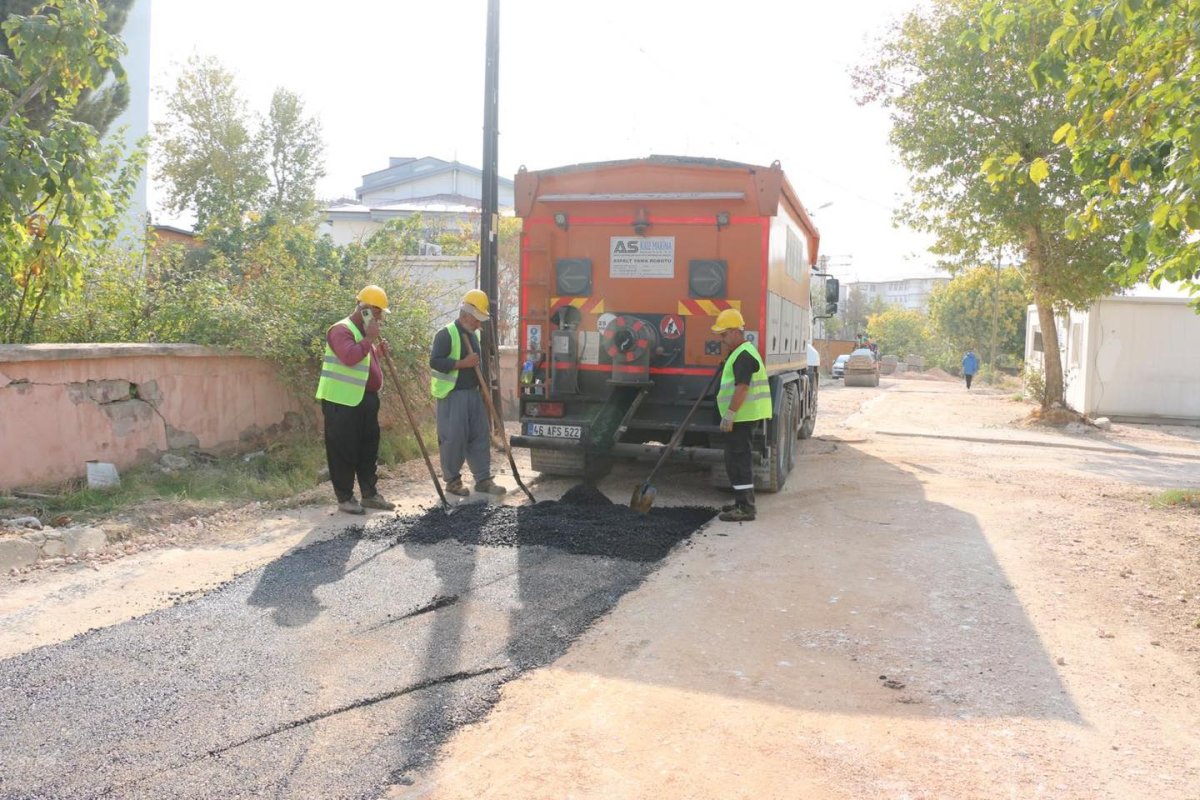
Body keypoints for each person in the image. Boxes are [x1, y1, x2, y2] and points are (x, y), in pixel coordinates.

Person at [314, 285, 396, 515]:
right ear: (365, 310)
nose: (380, 318)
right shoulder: (341, 330)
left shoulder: (362, 334)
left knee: (368, 449)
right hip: (342, 402)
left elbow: (361, 362)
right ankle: (345, 497)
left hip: (364, 400)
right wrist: (370, 339)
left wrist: (376, 351)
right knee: (343, 450)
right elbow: (349, 357)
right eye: (377, 313)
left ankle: (370, 494)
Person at [429, 289, 507, 497]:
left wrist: (482, 389)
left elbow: (478, 366)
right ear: (465, 315)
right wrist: (462, 363)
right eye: (476, 320)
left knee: (479, 436)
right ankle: (453, 481)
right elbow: (435, 362)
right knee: (454, 438)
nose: (479, 325)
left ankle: (483, 479)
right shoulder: (445, 334)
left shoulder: (475, 334)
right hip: (453, 395)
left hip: (473, 394)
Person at [711, 308, 772, 522]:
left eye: (724, 334)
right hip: (741, 416)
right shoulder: (739, 353)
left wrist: (729, 415)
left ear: (736, 332)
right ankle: (740, 502)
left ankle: (746, 508)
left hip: (742, 417)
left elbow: (742, 388)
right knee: (733, 459)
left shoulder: (744, 355)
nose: (722, 339)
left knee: (739, 460)